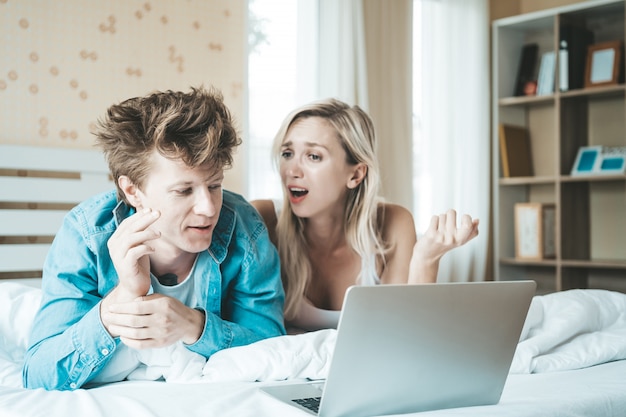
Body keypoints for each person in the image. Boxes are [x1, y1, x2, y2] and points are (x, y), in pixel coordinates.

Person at [22, 86, 285, 391]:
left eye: (214, 185)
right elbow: (38, 374)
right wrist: (121, 300)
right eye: (183, 191)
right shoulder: (86, 234)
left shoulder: (243, 226)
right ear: (133, 190)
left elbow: (272, 347)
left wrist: (194, 325)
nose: (209, 208)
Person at [251, 98, 479, 332]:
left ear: (356, 175)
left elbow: (408, 334)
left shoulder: (393, 224)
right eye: (287, 153)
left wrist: (426, 259)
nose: (292, 170)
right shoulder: (261, 220)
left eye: (313, 156)